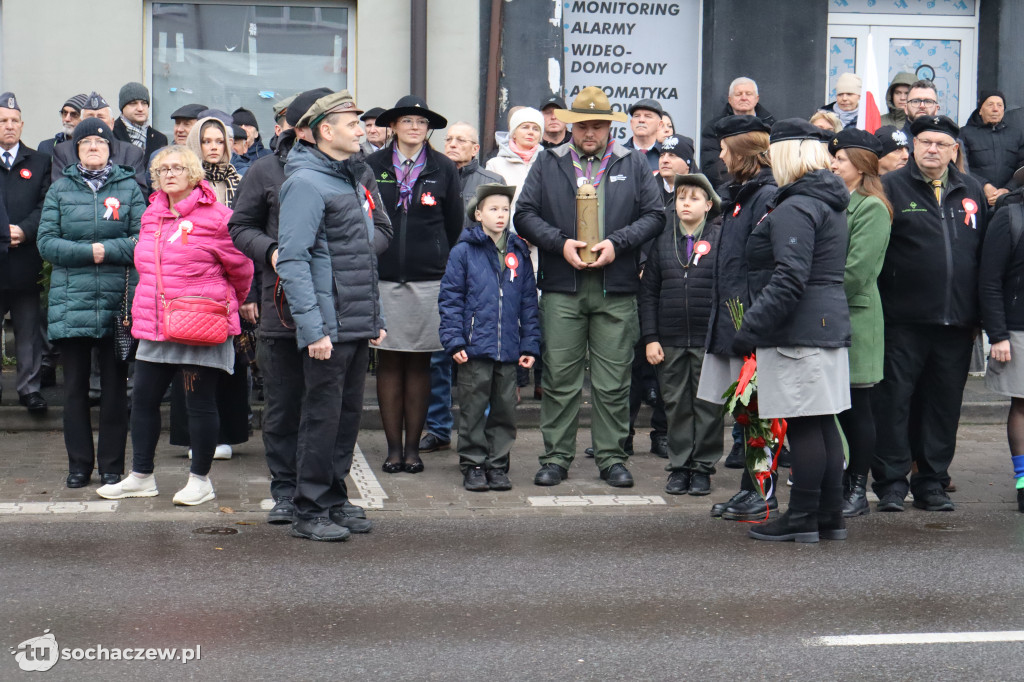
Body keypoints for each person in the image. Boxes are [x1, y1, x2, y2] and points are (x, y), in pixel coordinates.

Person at [515, 86, 663, 488]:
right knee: (560, 378)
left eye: (598, 126)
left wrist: (619, 243)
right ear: (570, 126)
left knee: (613, 380)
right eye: (583, 126)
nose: (590, 133)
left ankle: (612, 456)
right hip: (564, 287)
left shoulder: (631, 163)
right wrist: (559, 243)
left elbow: (654, 216)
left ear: (609, 127)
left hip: (615, 289)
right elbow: (524, 215)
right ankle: (555, 457)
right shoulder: (549, 163)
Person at [96, 145, 252, 505]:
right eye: (162, 169)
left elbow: (241, 268)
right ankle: (141, 476)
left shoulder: (217, 216)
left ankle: (200, 480)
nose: (169, 173)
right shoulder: (152, 214)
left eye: (177, 167)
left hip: (200, 322)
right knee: (144, 399)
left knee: (199, 404)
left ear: (193, 173)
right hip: (155, 322)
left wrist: (228, 302)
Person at [276, 90, 391, 541]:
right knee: (321, 418)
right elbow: (292, 259)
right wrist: (314, 329)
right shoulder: (305, 183)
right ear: (325, 131)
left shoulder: (348, 178)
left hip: (354, 320)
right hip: (328, 325)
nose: (362, 129)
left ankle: (334, 499)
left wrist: (374, 317)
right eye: (352, 123)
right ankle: (308, 509)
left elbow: (365, 256)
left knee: (345, 417)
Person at [730, 118, 852, 543]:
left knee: (804, 424)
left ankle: (802, 517)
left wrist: (750, 328)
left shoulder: (797, 206)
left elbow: (789, 278)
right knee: (821, 423)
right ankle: (828, 516)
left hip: (798, 329)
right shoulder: (828, 201)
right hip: (824, 323)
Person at [228, 87, 343, 525]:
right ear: (305, 127)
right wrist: (272, 250)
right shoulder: (265, 170)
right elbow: (240, 227)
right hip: (281, 306)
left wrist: (342, 256)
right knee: (283, 404)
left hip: (337, 306)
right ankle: (284, 489)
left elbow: (379, 227)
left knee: (331, 407)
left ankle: (331, 490)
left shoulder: (352, 170)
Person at [873, 114, 987, 513]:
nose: (933, 149)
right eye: (925, 142)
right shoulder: (889, 187)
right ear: (912, 147)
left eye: (941, 143)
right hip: (901, 321)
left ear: (955, 150)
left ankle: (932, 482)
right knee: (895, 403)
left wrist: (980, 318)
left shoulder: (971, 190)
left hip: (956, 323)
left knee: (942, 406)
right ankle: (890, 482)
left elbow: (982, 258)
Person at [37, 117, 145, 488]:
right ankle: (79, 466)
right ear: (76, 150)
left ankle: (112, 466)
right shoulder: (60, 189)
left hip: (118, 303)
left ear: (110, 149)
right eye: (86, 144)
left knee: (116, 390)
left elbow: (141, 239)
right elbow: (46, 242)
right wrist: (90, 252)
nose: (94, 148)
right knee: (74, 391)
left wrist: (107, 249)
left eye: (100, 144)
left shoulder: (129, 188)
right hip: (72, 304)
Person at [366, 95, 463, 475]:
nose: (413, 127)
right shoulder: (371, 165)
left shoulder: (443, 168)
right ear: (393, 126)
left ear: (428, 129)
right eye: (406, 120)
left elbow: (454, 225)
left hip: (428, 280)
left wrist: (442, 261)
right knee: (389, 361)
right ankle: (392, 450)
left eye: (421, 122)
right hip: (383, 277)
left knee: (421, 362)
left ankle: (413, 449)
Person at [696, 115, 778, 521]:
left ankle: (762, 490)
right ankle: (750, 487)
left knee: (759, 409)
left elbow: (762, 265)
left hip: (748, 319)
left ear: (743, 154)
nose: (721, 156)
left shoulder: (765, 197)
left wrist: (750, 319)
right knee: (745, 411)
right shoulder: (741, 195)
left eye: (726, 150)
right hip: (732, 317)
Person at [439, 183, 540, 492]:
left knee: (505, 410)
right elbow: (450, 298)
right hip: (474, 348)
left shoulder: (518, 251)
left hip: (509, 348)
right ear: (478, 213)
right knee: (472, 408)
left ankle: (497, 464)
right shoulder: (463, 251)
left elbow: (528, 302)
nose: (501, 215)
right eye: (494, 209)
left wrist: (530, 344)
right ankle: (472, 463)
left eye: (505, 209)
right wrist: (454, 340)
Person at [418, 121, 505, 456]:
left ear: (475, 149)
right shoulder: (433, 175)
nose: (452, 144)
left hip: (480, 282)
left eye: (461, 140)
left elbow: (498, 230)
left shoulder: (490, 183)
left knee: (478, 359)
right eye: (448, 139)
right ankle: (438, 428)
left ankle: (478, 431)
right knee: (439, 356)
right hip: (440, 279)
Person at [169, 115, 249, 460]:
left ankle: (226, 433)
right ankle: (193, 436)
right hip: (189, 281)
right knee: (190, 362)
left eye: (219, 141)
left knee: (228, 360)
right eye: (206, 141)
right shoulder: (182, 183)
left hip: (230, 281)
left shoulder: (241, 182)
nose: (213, 148)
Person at [641, 173, 724, 495]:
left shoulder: (719, 239)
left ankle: (702, 467)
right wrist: (651, 337)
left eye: (693, 198)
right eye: (680, 198)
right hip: (670, 339)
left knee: (708, 406)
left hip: (707, 340)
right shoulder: (663, 241)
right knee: (675, 404)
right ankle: (679, 466)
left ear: (708, 204)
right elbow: (648, 293)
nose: (685, 203)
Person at [827, 128, 892, 517]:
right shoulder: (839, 201)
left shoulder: (871, 207)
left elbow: (856, 272)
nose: (833, 164)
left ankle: (856, 487)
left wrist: (817, 300)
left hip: (856, 318)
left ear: (862, 165)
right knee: (835, 407)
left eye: (841, 160)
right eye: (833, 158)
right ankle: (839, 479)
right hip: (834, 315)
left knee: (857, 407)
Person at [0, 92, 52, 412]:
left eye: (14, 121)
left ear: (22, 125)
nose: (9, 126)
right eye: (3, 121)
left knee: (29, 332)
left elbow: (46, 204)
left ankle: (29, 389)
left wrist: (24, 230)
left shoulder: (39, 162)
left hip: (25, 260)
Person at [979, 187, 1024, 513]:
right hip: (1018, 328)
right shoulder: (1011, 215)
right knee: (1023, 405)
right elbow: (989, 279)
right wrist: (997, 334)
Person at [50, 92, 147, 192]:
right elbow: (60, 192)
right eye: (90, 117)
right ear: (81, 122)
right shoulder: (63, 151)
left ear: (112, 123)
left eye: (101, 117)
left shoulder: (131, 153)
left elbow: (138, 194)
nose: (96, 122)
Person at [700, 77, 776, 186]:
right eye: (738, 94)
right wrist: (738, 187)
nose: (743, 98)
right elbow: (713, 166)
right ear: (730, 99)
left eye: (748, 94)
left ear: (757, 98)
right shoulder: (714, 128)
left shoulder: (772, 126)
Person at [960, 90, 1024, 207]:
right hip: (974, 199)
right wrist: (984, 185)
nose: (995, 109)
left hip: (1008, 202)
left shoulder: (1016, 134)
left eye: (1000, 105)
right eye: (990, 105)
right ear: (980, 110)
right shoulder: (965, 133)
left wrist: (1007, 190)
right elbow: (960, 166)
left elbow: (1022, 167)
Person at [485, 107, 543, 211]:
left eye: (536, 129)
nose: (531, 132)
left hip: (541, 226)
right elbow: (489, 206)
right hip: (508, 226)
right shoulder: (495, 165)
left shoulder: (549, 163)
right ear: (513, 133)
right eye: (525, 127)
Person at [112, 82, 168, 162]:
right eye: (133, 103)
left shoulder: (159, 139)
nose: (140, 108)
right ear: (122, 107)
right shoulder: (111, 134)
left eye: (144, 103)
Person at [899, 80, 941, 155]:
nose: (922, 106)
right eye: (915, 101)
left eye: (928, 101)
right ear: (905, 108)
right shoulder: (895, 143)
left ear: (936, 109)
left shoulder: (946, 143)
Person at [624, 99, 663, 173]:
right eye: (637, 116)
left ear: (660, 125)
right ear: (631, 123)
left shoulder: (667, 156)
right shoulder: (618, 154)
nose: (641, 120)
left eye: (648, 116)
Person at [230, 107, 272, 175]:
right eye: (238, 125)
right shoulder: (225, 158)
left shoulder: (270, 157)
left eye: (248, 125)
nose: (243, 128)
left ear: (256, 133)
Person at [656, 134, 694, 204]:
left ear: (687, 164)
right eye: (662, 155)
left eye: (672, 155)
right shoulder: (647, 189)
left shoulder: (699, 193)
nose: (664, 160)